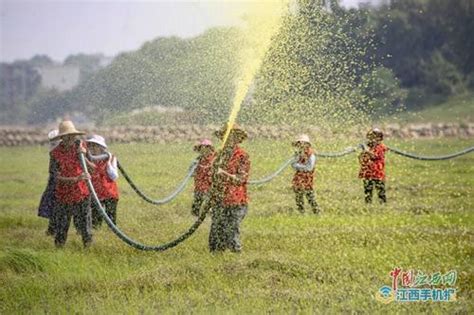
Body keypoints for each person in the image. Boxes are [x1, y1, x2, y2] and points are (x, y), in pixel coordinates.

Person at [50, 120, 93, 248]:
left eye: (72, 136)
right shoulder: (55, 154)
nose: (70, 139)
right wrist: (76, 179)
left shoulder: (81, 148)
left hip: (82, 194)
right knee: (62, 226)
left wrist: (84, 156)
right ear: (62, 138)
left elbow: (92, 168)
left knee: (85, 225)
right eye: (67, 136)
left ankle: (88, 247)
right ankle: (59, 249)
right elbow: (55, 177)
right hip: (63, 196)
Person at [209, 124, 250, 253]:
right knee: (216, 231)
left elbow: (241, 179)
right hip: (219, 199)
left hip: (236, 201)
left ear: (238, 139)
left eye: (233, 136)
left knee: (231, 230)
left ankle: (236, 256)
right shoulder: (218, 155)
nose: (229, 139)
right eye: (226, 136)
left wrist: (224, 173)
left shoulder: (242, 156)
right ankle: (216, 257)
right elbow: (211, 176)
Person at [86, 135, 119, 228]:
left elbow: (114, 176)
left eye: (95, 145)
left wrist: (108, 163)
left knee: (111, 219)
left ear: (101, 148)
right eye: (90, 145)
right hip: (95, 193)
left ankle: (112, 234)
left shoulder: (110, 157)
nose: (92, 148)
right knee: (96, 221)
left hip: (110, 193)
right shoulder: (86, 159)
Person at [37, 129, 61, 236]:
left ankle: (53, 229)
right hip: (56, 181)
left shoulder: (56, 149)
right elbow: (53, 171)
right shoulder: (55, 150)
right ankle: (53, 229)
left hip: (58, 181)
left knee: (57, 207)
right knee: (55, 207)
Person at [291, 134, 321, 214]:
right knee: (298, 196)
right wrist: (295, 163)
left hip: (307, 178)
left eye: (301, 143)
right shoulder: (298, 153)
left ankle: (316, 212)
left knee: (310, 196)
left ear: (306, 144)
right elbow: (293, 163)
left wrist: (297, 165)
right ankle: (301, 212)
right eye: (299, 144)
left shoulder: (311, 154)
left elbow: (309, 168)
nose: (300, 145)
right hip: (298, 178)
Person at [358, 128, 388, 203]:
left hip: (377, 173)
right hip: (368, 172)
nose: (371, 140)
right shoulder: (370, 148)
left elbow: (374, 156)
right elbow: (363, 158)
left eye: (374, 138)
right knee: (368, 190)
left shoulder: (380, 147)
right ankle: (368, 204)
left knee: (380, 190)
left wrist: (366, 150)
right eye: (370, 138)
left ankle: (383, 204)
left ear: (379, 139)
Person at [191, 139, 216, 216]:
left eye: (206, 148)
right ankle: (195, 213)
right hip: (199, 184)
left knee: (209, 199)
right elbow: (191, 172)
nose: (204, 150)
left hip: (210, 184)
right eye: (202, 148)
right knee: (198, 199)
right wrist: (193, 170)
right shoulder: (197, 160)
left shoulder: (214, 160)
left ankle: (210, 211)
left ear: (210, 149)